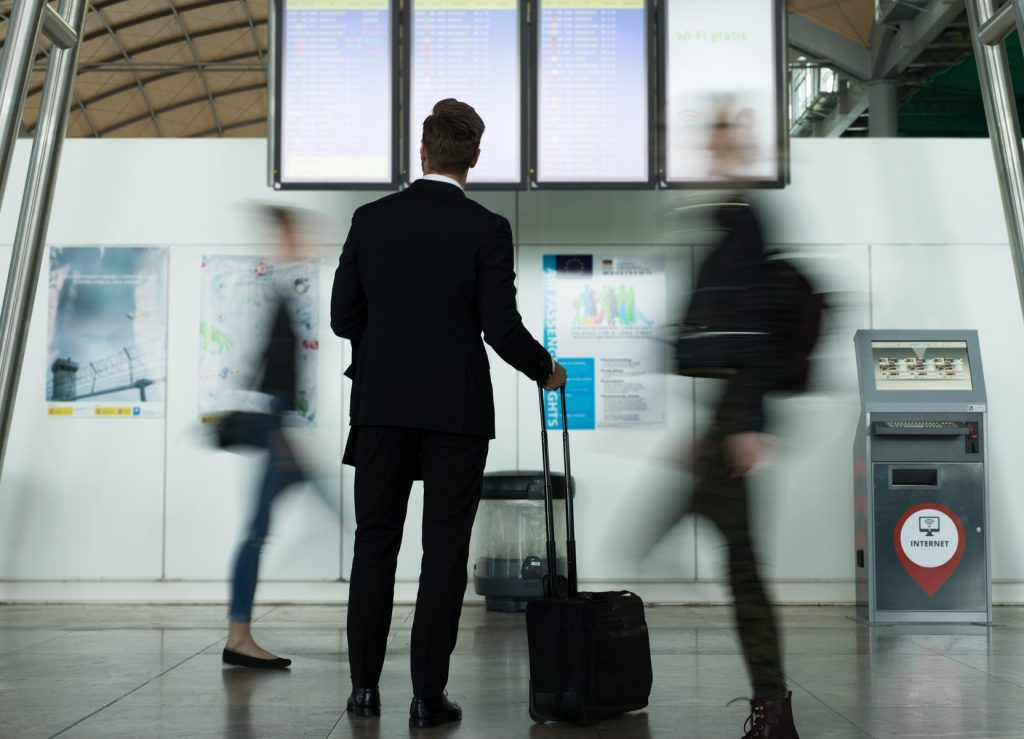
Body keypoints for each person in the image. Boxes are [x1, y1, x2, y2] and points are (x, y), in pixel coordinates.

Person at [331, 98, 567, 728]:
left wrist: (384, 347)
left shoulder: (371, 219)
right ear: (475, 159)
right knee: (443, 553)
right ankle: (426, 696)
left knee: (374, 544)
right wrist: (545, 368)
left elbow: (341, 317)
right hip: (456, 413)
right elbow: (499, 326)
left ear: (423, 151)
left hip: (379, 407)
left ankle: (363, 691)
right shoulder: (486, 229)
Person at [679, 111, 800, 738]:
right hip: (725, 414)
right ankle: (772, 708)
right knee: (741, 563)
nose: (711, 156)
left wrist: (746, 422)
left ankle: (773, 710)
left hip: (735, 413)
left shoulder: (747, 224)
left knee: (744, 569)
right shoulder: (734, 222)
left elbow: (754, 332)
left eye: (721, 146)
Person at [221, 207, 310, 670]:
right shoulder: (268, 294)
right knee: (256, 532)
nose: (304, 244)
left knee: (258, 529)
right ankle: (238, 636)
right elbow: (260, 373)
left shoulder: (277, 294)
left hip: (277, 424)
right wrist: (277, 435)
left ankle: (239, 633)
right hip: (272, 423)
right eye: (296, 234)